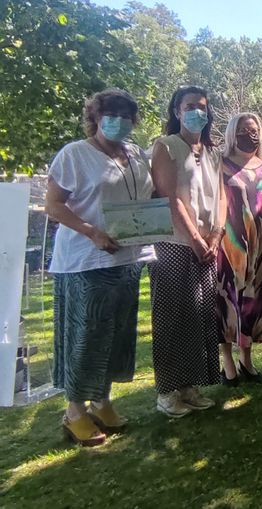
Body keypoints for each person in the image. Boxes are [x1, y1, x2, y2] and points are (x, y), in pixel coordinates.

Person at [46, 89, 154, 445]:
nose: (119, 121)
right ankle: (74, 411)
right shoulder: (75, 154)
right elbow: (54, 205)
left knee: (117, 334)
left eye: (126, 115)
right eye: (111, 114)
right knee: (87, 336)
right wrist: (91, 232)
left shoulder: (136, 153)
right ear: (95, 116)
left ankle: (102, 401)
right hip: (85, 261)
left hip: (127, 257)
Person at [149, 86, 225, 417]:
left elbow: (220, 196)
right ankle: (167, 392)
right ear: (177, 111)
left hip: (208, 245)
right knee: (171, 318)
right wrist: (195, 238)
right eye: (190, 106)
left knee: (198, 317)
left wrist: (216, 236)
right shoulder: (166, 146)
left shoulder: (211, 152)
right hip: (175, 245)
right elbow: (169, 197)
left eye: (202, 107)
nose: (197, 111)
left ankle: (189, 386)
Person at [216, 113, 262, 386]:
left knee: (254, 302)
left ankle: (247, 358)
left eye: (254, 129)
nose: (250, 134)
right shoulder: (219, 164)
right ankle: (227, 361)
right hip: (230, 243)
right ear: (233, 133)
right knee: (229, 301)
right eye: (244, 130)